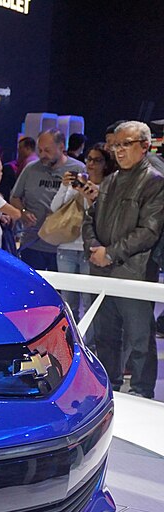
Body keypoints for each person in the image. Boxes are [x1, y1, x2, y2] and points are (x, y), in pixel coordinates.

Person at [82, 121, 164, 398]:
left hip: (134, 273)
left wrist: (110, 253)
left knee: (140, 341)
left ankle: (142, 394)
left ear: (145, 146)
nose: (118, 150)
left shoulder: (155, 182)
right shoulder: (110, 180)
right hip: (102, 272)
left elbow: (149, 231)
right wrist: (94, 248)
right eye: (115, 145)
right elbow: (89, 218)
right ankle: (109, 390)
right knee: (105, 338)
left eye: (125, 144)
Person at [53, 142, 115, 316]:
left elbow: (102, 220)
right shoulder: (77, 184)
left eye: (97, 160)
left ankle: (90, 335)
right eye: (89, 159)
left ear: (106, 164)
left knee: (90, 302)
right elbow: (55, 208)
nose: (91, 164)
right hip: (67, 246)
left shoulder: (109, 188)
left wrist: (90, 198)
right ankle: (70, 333)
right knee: (67, 302)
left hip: (91, 249)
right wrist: (64, 186)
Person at [10, 129, 85, 271]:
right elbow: (14, 197)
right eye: (40, 150)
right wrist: (23, 212)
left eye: (47, 150)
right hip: (32, 243)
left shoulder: (78, 169)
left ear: (61, 147)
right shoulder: (31, 169)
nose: (42, 155)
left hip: (63, 247)